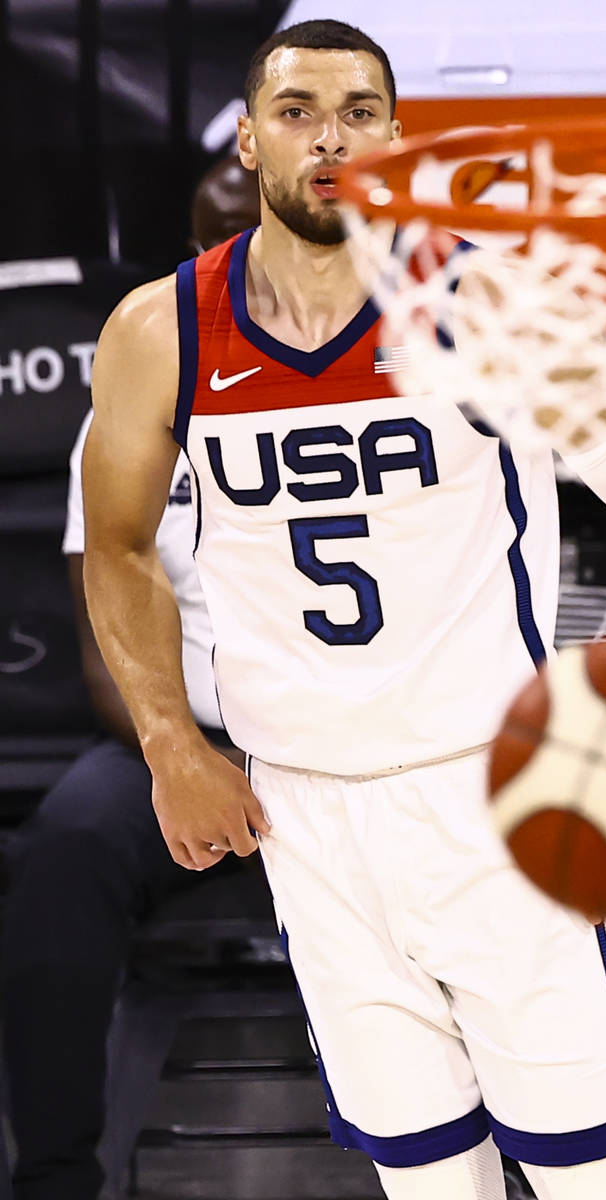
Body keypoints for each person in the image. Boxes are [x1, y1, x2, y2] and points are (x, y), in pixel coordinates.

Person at [81, 20, 606, 1200]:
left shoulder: (492, 304)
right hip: (306, 814)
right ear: (249, 139)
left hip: (492, 794)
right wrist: (170, 742)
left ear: (396, 138)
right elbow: (115, 548)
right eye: (298, 112)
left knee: (594, 1179)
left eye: (358, 113)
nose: (330, 138)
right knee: (424, 1182)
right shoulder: (160, 332)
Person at [1, 158, 260, 1200]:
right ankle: (56, 1178)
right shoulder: (132, 403)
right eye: (219, 246)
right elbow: (104, 641)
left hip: (354, 740)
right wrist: (184, 756)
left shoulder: (390, 382)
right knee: (64, 856)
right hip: (180, 738)